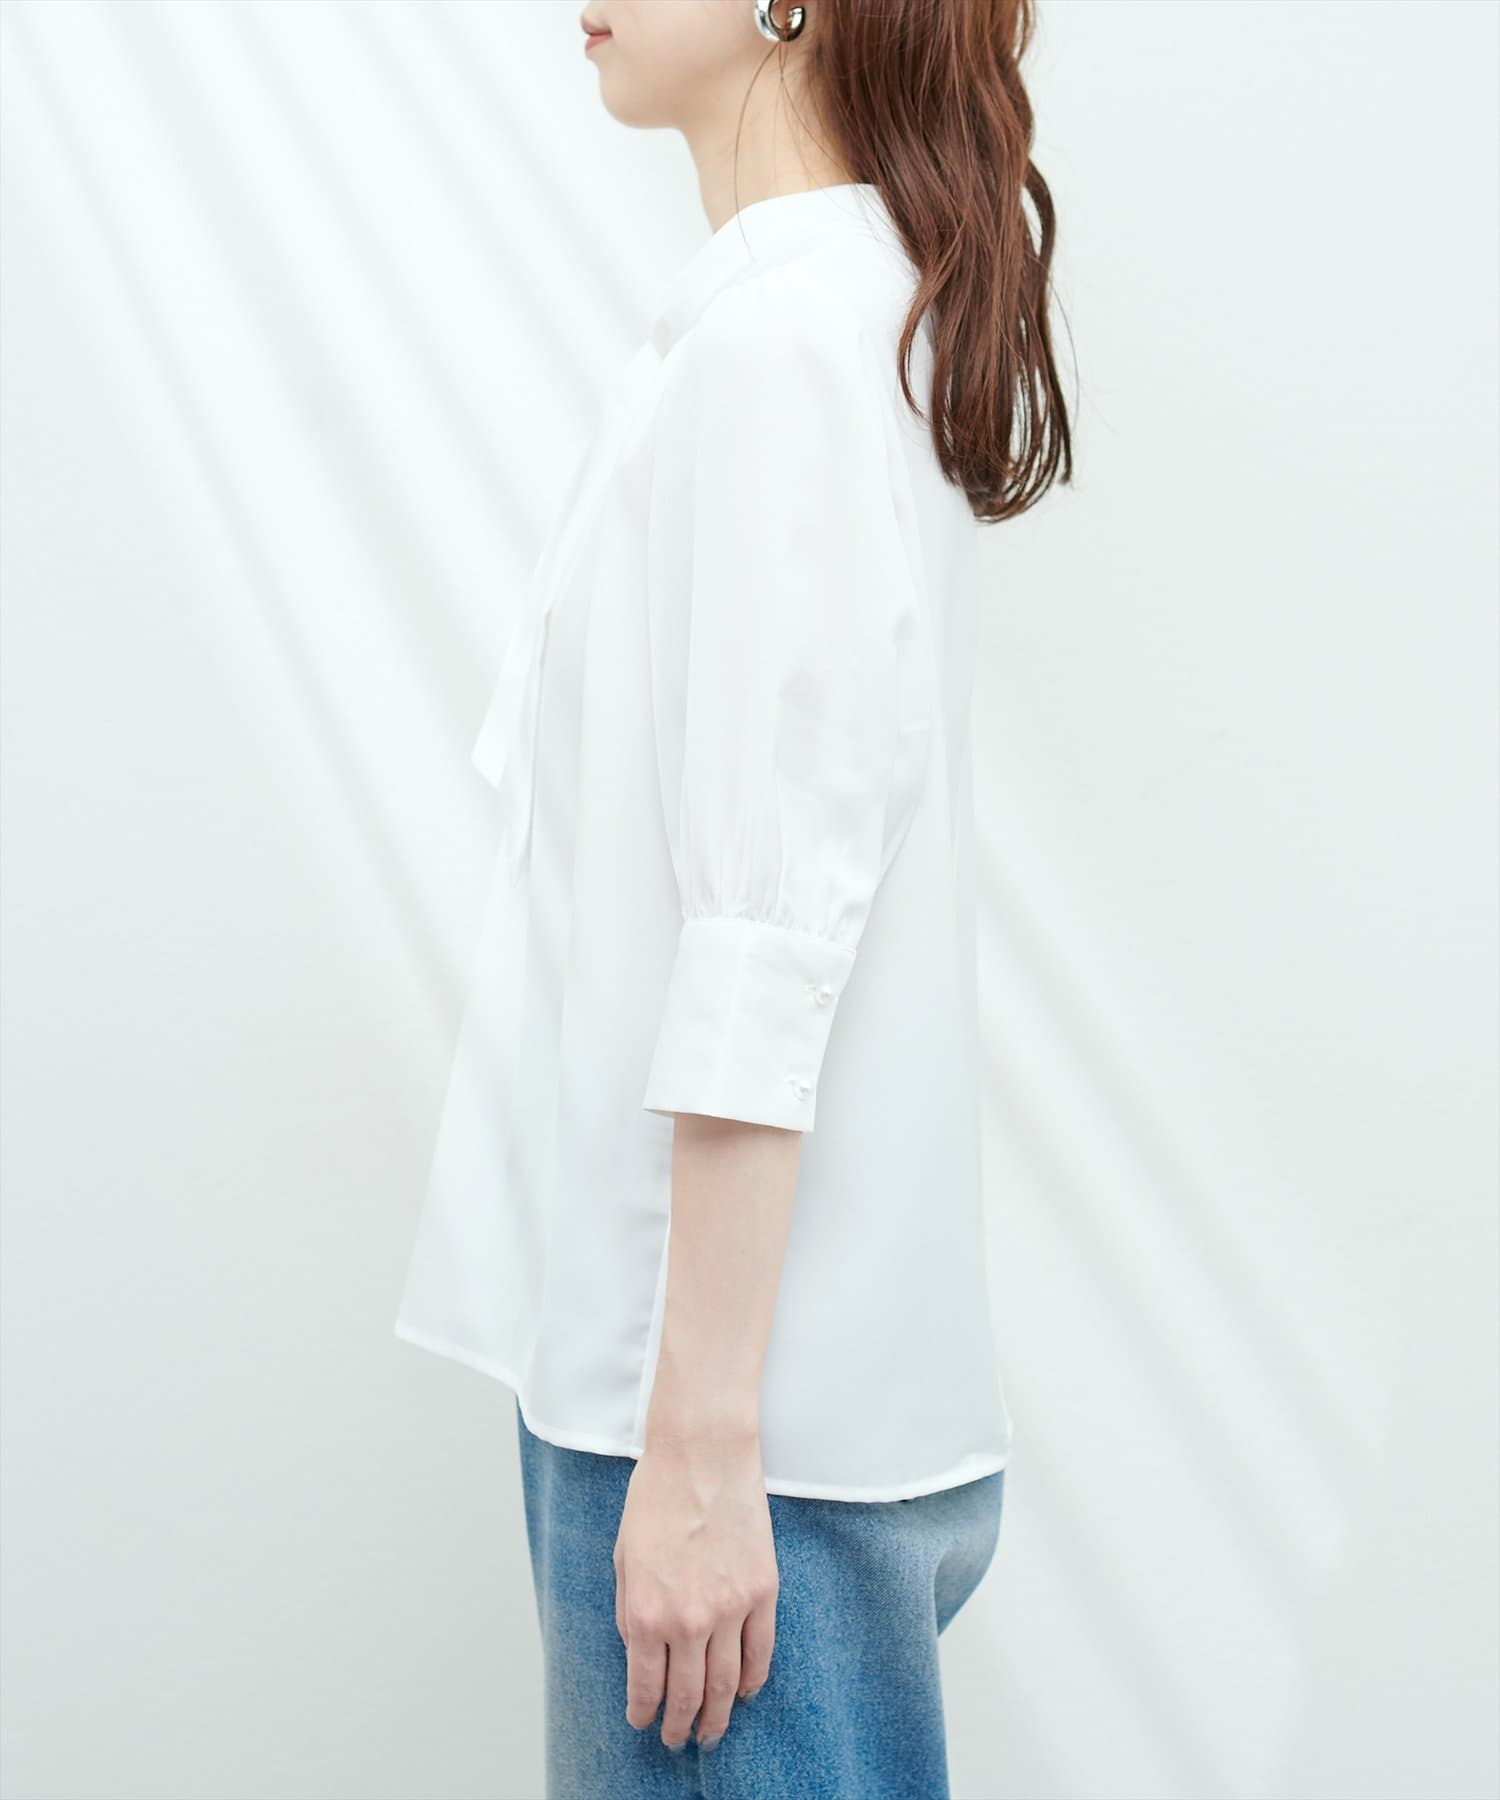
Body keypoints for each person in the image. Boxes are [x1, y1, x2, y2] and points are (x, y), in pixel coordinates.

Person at [394, 0, 1072, 1792]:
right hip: (755, 1422)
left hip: (731, 1441)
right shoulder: (822, 314)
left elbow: (766, 935)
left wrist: (696, 1449)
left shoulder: (784, 342)